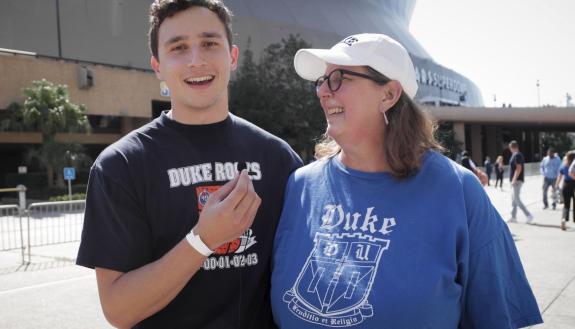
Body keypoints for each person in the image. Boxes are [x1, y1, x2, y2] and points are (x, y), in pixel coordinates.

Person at [271, 33, 542, 328]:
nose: (322, 91)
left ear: (388, 95)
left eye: (338, 78)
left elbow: (496, 317)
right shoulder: (300, 186)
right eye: (321, 81)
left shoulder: (458, 191)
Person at [76, 1, 302, 328]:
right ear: (157, 66)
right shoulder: (121, 165)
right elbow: (119, 311)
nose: (196, 60)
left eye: (209, 43)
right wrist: (202, 240)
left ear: (233, 56)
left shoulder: (277, 158)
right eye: (178, 47)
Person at [508, 140, 534, 224]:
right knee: (513, 199)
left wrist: (514, 179)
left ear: (512, 147)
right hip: (516, 180)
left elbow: (518, 168)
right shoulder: (515, 155)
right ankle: (513, 217)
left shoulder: (517, 155)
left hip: (517, 180)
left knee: (516, 199)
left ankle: (528, 215)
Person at [556, 151, 575, 230]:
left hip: (565, 185)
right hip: (574, 185)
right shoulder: (573, 166)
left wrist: (556, 185)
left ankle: (563, 219)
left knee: (566, 205)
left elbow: (559, 177)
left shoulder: (564, 166)